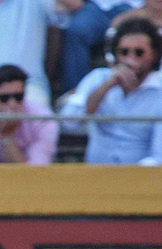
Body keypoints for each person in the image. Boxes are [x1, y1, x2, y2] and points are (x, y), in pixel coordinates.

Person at [66, 14, 162, 163]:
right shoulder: (98, 78)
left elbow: (159, 156)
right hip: (95, 173)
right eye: (124, 52)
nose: (130, 59)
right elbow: (69, 124)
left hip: (142, 175)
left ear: (154, 55)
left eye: (139, 52)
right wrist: (108, 85)